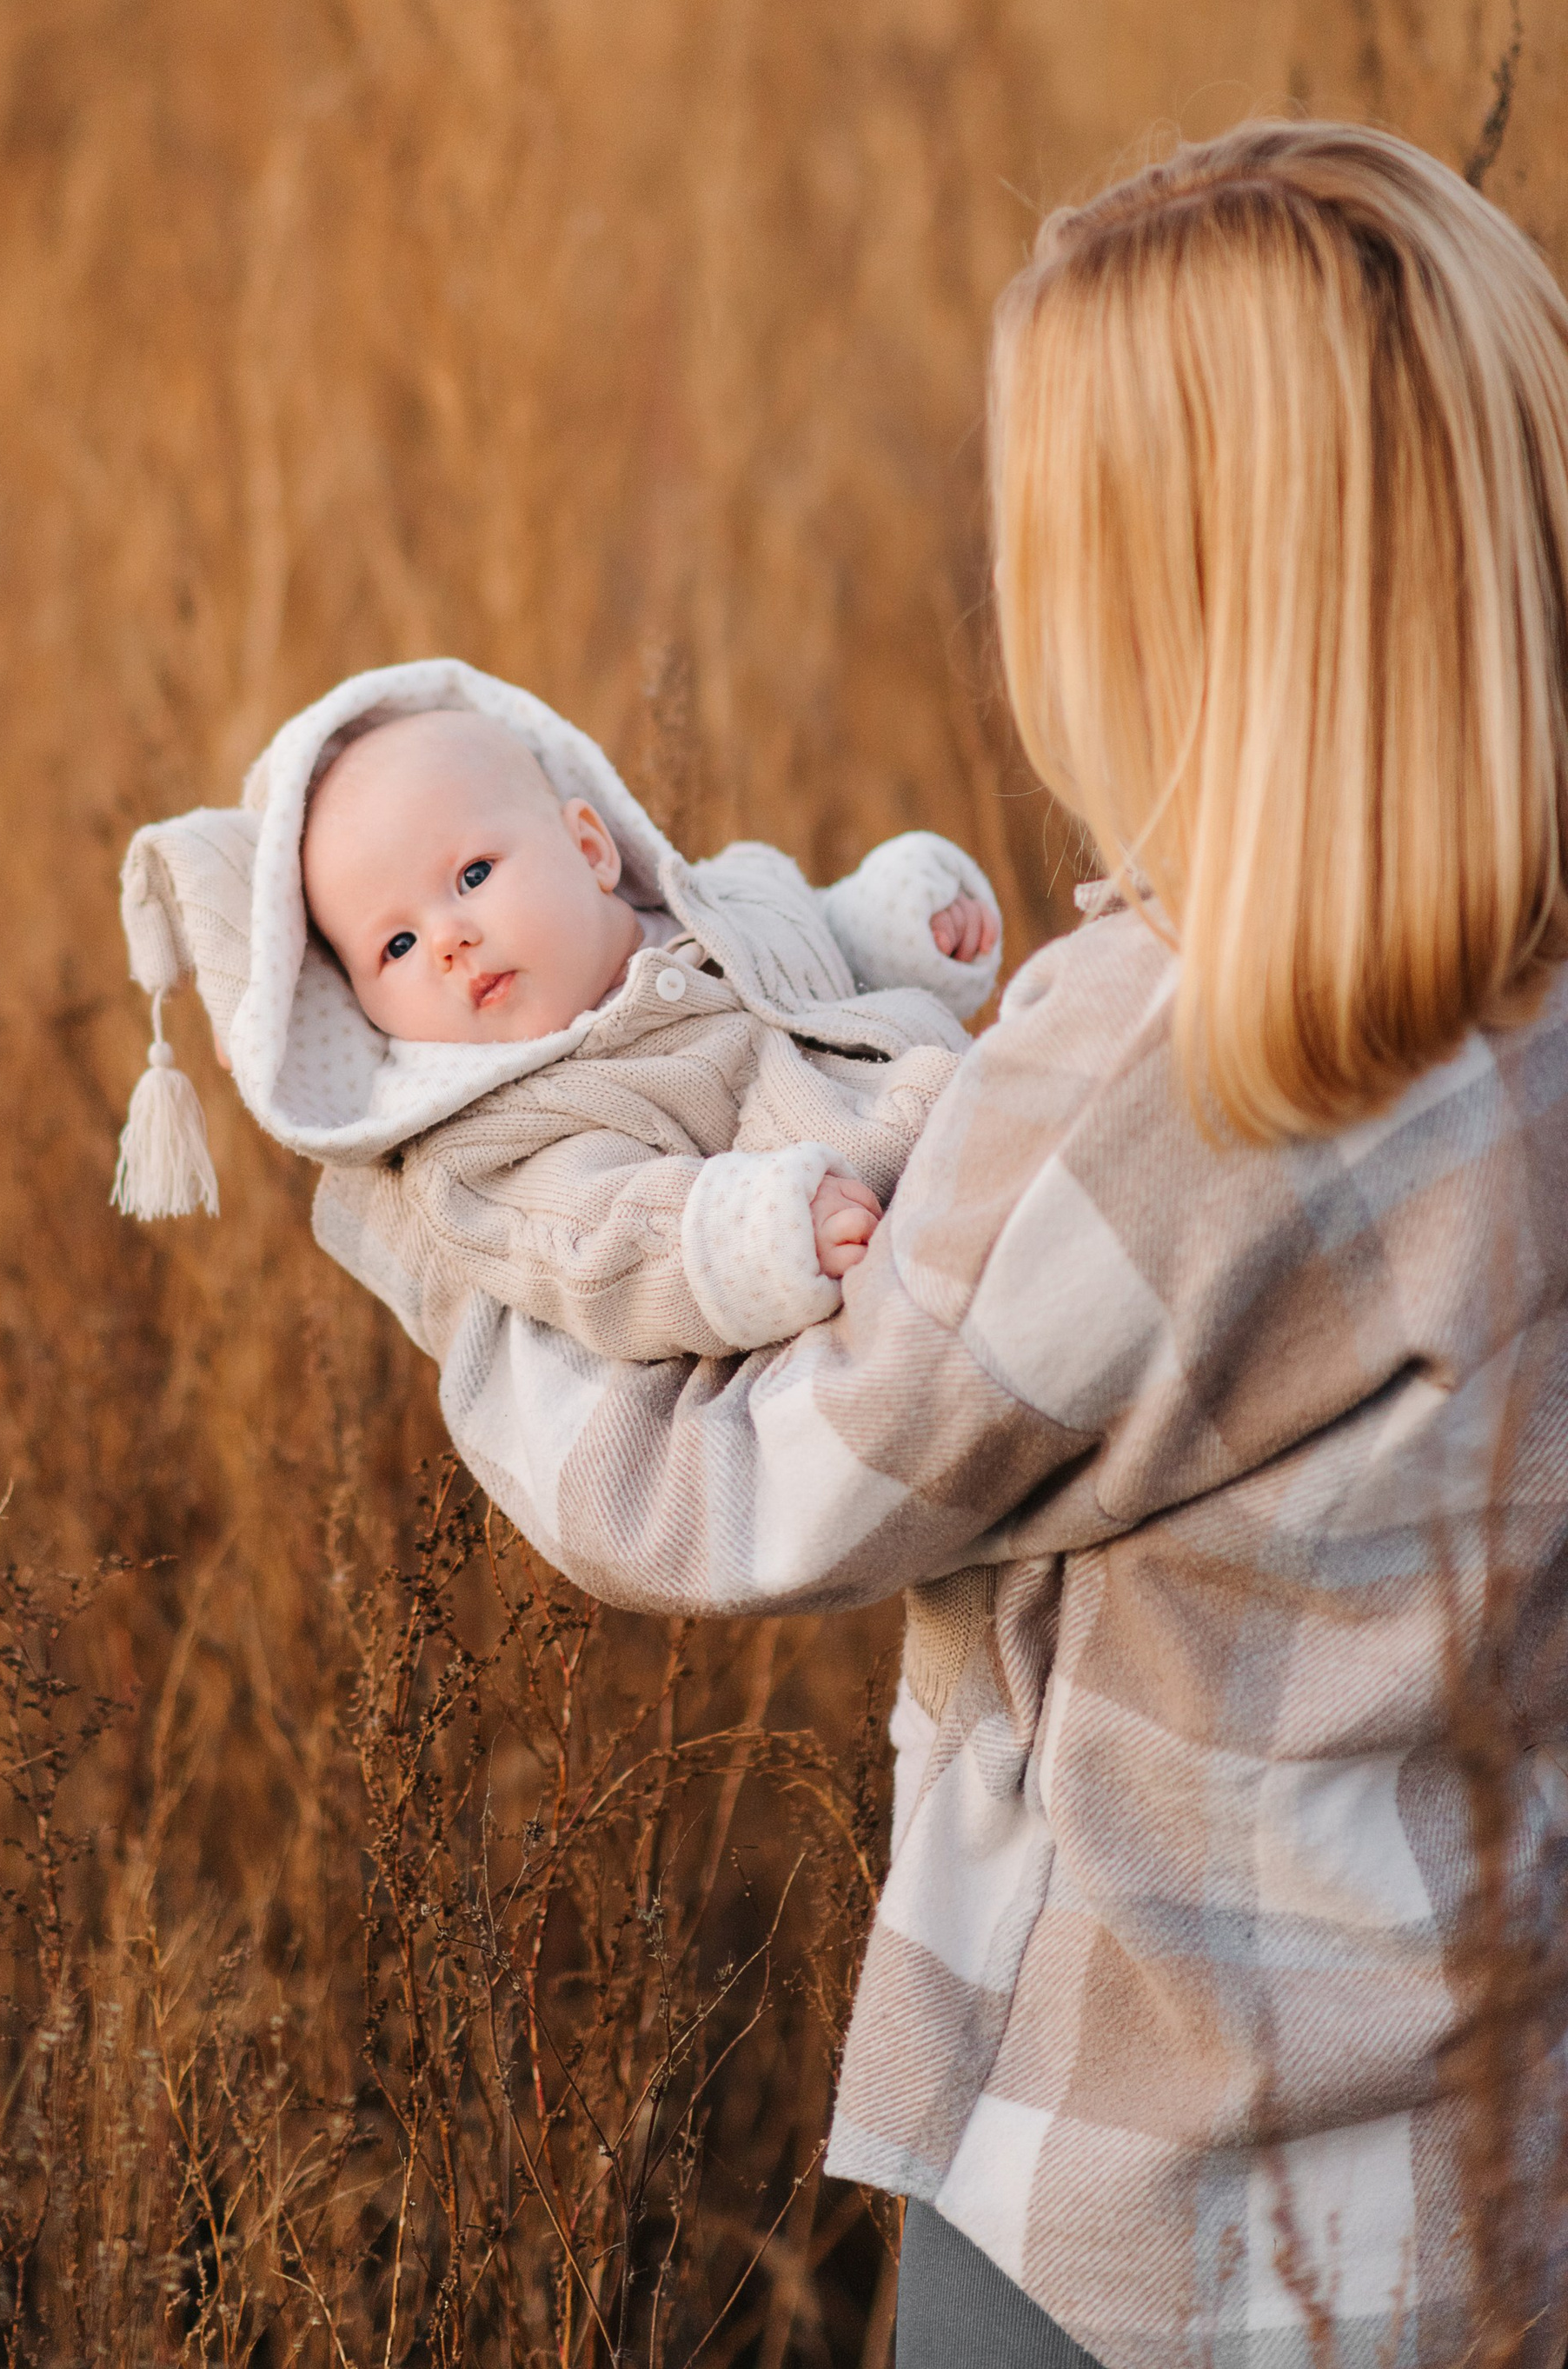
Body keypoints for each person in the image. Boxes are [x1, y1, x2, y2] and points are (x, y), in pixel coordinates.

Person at [311, 125, 1568, 2369]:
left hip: (1158, 2186)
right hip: (1495, 2152)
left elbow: (754, 1481)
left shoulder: (1182, 1059)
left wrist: (449, 1223)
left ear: (1160, 588)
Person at [111, 657, 1000, 1357]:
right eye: (396, 947)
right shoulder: (499, 1138)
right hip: (890, 1238)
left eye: (470, 876)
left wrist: (909, 929)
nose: (449, 941)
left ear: (588, 848)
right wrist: (761, 1234)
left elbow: (821, 939)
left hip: (983, 1117)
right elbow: (591, 1246)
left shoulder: (722, 899)